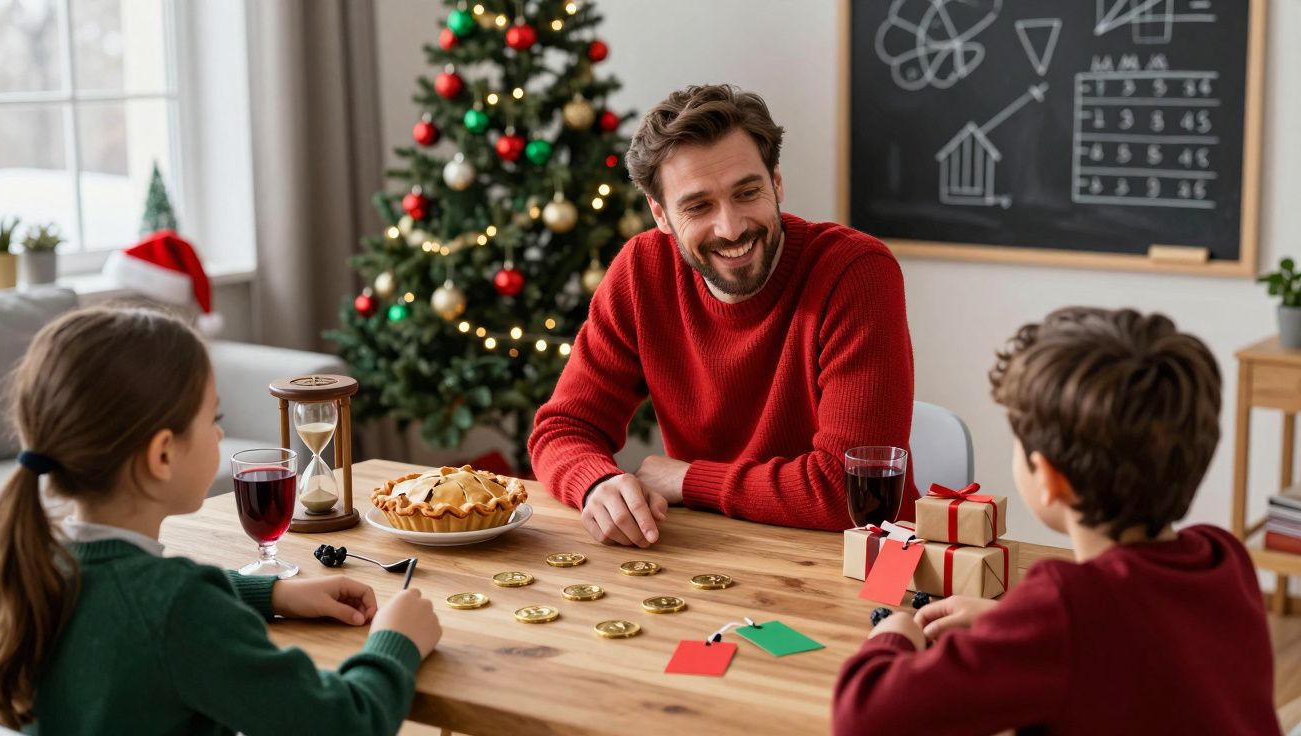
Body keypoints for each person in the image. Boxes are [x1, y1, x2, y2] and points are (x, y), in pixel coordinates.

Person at [0, 307, 441, 734]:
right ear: (163, 454)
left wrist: (274, 592)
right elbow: (344, 724)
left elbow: (135, 598)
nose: (221, 434)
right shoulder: (179, 607)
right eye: (213, 419)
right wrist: (394, 642)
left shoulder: (28, 564)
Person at [834, 307, 1280, 735]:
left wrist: (896, 634)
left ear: (1049, 478)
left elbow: (864, 718)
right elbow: (1137, 643)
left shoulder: (1063, 608)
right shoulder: (1225, 558)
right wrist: (1010, 621)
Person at [528, 83, 918, 548]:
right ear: (661, 214)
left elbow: (847, 491)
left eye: (747, 192)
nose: (730, 228)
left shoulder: (856, 272)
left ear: (776, 183)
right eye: (697, 206)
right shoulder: (642, 271)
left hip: (878, 554)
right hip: (716, 546)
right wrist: (596, 484)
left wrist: (689, 480)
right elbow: (563, 428)